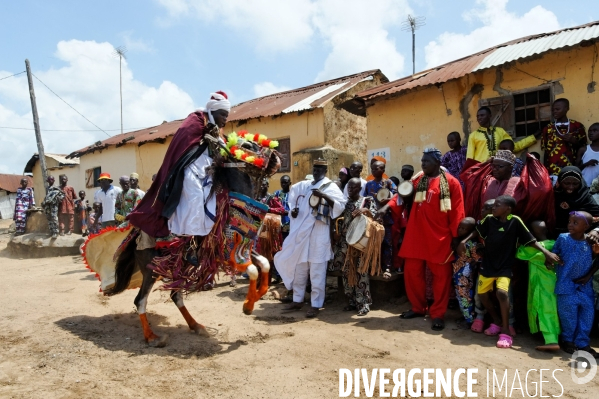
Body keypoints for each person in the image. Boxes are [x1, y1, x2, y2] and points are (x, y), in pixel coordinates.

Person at [127, 91, 230, 239]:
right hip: (190, 169)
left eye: (227, 116)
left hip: (208, 173)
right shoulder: (196, 120)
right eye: (223, 115)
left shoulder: (218, 131)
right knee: (194, 196)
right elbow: (186, 144)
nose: (225, 120)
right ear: (213, 111)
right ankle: (187, 238)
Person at [471, 195, 558, 349]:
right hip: (488, 265)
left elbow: (530, 240)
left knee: (502, 293)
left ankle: (505, 331)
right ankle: (496, 321)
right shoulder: (489, 220)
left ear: (508, 209)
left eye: (497, 205)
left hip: (505, 266)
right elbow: (478, 232)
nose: (493, 207)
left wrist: (546, 253)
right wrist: (471, 244)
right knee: (482, 294)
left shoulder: (515, 221)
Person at [398, 148, 465, 331]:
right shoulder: (419, 180)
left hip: (440, 237)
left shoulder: (451, 182)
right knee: (412, 273)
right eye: (422, 161)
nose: (423, 164)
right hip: (416, 235)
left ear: (437, 162)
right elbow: (401, 195)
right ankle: (418, 308)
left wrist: (456, 237)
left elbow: (458, 211)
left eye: (426, 161)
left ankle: (438, 314)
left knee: (441, 278)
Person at [274, 159, 346, 318]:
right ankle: (297, 299)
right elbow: (294, 199)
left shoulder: (330, 187)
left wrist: (324, 196)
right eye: (315, 168)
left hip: (319, 233)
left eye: (320, 169)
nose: (316, 171)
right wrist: (293, 211)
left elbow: (340, 206)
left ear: (325, 170)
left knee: (317, 271)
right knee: (300, 269)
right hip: (303, 233)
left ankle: (316, 304)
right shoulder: (306, 185)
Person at [552, 211, 599, 358]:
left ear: (586, 226)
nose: (570, 225)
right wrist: (553, 259)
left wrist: (587, 276)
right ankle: (568, 340)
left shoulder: (591, 242)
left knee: (587, 314)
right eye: (570, 222)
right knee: (568, 315)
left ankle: (583, 343)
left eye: (575, 223)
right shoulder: (563, 238)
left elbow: (598, 259)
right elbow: (554, 254)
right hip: (566, 284)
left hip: (585, 286)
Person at [329, 178, 377, 316]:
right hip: (345, 242)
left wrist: (365, 210)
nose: (351, 190)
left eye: (354, 188)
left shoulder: (367, 201)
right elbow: (334, 218)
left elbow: (375, 217)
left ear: (359, 188)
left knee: (361, 272)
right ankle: (351, 301)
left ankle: (364, 303)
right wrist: (335, 233)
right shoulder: (344, 202)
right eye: (349, 187)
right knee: (347, 271)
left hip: (360, 242)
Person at [515, 220, 560, 352]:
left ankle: (551, 340)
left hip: (542, 284)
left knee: (544, 310)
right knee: (553, 310)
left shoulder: (533, 248)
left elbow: (519, 253)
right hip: (553, 282)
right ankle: (555, 337)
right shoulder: (554, 244)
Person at [467, 106, 537, 163]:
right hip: (482, 169)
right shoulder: (473, 135)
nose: (479, 118)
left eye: (482, 115)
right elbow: (469, 158)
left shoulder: (500, 131)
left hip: (499, 167)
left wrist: (532, 138)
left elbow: (513, 147)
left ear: (489, 116)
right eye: (478, 116)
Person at [365, 160, 397, 278]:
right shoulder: (368, 184)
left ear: (383, 170)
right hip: (373, 218)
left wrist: (387, 200)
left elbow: (396, 195)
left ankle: (387, 266)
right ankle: (375, 266)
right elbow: (365, 199)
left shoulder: (388, 182)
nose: (374, 171)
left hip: (386, 218)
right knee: (374, 242)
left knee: (387, 243)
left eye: (377, 168)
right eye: (372, 169)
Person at [541, 98, 587, 176]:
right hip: (552, 170)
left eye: (557, 109)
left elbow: (585, 148)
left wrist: (574, 141)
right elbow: (546, 152)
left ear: (566, 109)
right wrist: (545, 171)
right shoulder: (548, 128)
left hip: (572, 168)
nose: (554, 111)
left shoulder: (577, 126)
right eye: (553, 110)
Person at [553, 166, 599, 235]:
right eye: (567, 183)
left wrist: (595, 231)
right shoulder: (554, 195)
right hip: (556, 233)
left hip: (582, 235)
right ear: (560, 182)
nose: (571, 187)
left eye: (575, 184)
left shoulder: (585, 197)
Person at [451, 217, 479, 328]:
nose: (460, 230)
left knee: (465, 297)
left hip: (465, 276)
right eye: (460, 227)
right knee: (461, 296)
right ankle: (466, 316)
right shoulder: (460, 241)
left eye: (464, 229)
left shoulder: (471, 244)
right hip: (459, 274)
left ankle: (469, 320)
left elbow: (476, 259)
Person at [272, 175, 292, 240]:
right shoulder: (277, 193)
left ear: (290, 183)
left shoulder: (293, 194)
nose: (283, 184)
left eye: (285, 182)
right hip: (278, 221)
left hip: (289, 221)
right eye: (282, 182)